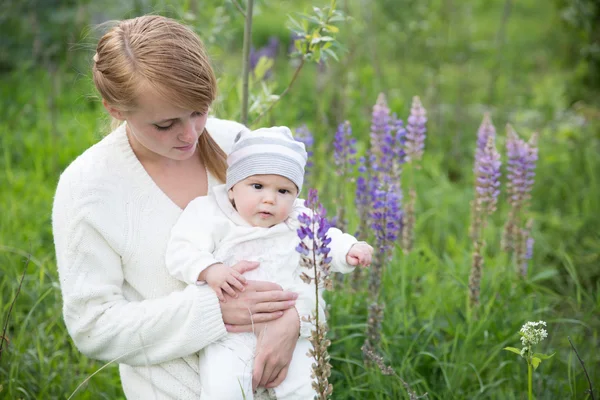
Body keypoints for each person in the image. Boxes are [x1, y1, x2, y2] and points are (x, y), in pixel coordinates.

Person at [52, 15, 307, 399]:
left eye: (199, 111)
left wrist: (295, 319)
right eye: (165, 124)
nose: (190, 134)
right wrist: (213, 311)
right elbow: (93, 327)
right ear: (115, 108)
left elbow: (304, 246)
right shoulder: (89, 188)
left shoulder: (237, 144)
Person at [165, 126, 374, 399]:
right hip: (231, 331)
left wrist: (349, 249)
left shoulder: (298, 219)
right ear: (232, 189)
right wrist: (210, 269)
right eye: (257, 186)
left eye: (284, 191)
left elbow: (324, 239)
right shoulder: (209, 213)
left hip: (287, 324)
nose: (269, 199)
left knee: (304, 387)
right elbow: (182, 248)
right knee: (224, 387)